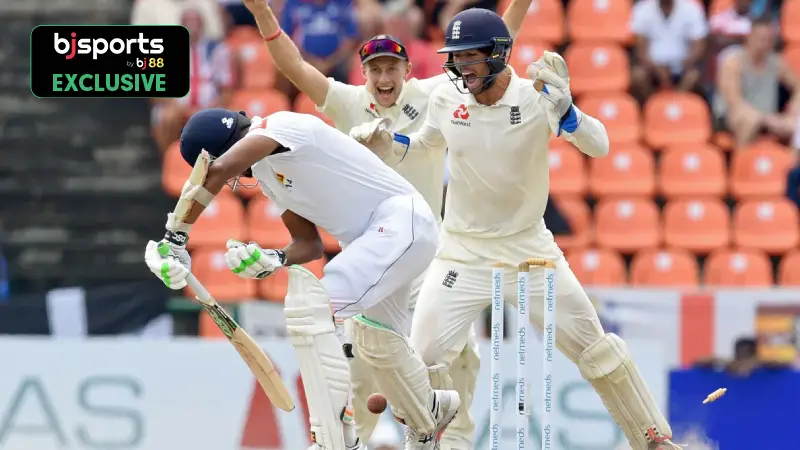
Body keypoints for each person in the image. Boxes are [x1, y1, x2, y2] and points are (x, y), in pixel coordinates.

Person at [350, 8, 683, 450]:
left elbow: (599, 146)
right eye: (455, 58)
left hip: (530, 250)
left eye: (470, 58)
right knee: (420, 362)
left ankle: (653, 439)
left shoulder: (534, 98)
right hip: (461, 253)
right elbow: (427, 143)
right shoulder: (448, 100)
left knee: (596, 350)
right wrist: (389, 143)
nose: (460, 68)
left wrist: (567, 110)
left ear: (498, 55)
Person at [239, 0, 533, 446]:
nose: (383, 79)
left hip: (428, 255)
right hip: (373, 256)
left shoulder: (434, 95)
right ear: (363, 73)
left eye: (392, 68)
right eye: (375, 69)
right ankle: (347, 441)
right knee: (361, 372)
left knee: (451, 365)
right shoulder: (347, 102)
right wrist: (261, 11)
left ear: (407, 70)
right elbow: (294, 66)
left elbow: (496, 45)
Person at [143, 108, 460, 450]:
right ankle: (429, 412)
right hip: (374, 240)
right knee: (376, 340)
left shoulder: (282, 126)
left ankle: (335, 440)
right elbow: (308, 245)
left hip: (401, 221)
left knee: (314, 309)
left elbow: (216, 172)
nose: (236, 176)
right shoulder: (267, 176)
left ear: (228, 148)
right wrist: (273, 257)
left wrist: (174, 236)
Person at [715, 17, 800, 148]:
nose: (765, 43)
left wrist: (794, 108)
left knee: (796, 125)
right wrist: (766, 119)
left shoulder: (776, 62)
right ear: (750, 37)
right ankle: (741, 164)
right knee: (748, 122)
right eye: (761, 39)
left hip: (767, 117)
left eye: (769, 40)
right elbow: (734, 101)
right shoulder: (733, 62)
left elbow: (798, 86)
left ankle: (790, 165)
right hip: (733, 116)